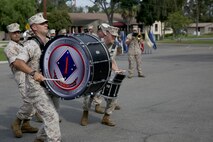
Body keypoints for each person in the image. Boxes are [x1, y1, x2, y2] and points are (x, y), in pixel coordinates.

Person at [12, 13, 61, 142]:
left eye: (46, 22)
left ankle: (39, 139)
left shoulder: (49, 42)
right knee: (52, 118)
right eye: (42, 23)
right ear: (34, 27)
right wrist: (33, 73)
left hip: (50, 86)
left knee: (53, 115)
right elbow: (18, 62)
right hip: (36, 88)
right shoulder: (31, 45)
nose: (46, 24)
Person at [80, 24, 124, 127]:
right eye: (113, 36)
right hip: (95, 74)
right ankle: (85, 114)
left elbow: (111, 61)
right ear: (106, 34)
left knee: (113, 97)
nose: (114, 38)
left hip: (107, 74)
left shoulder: (114, 46)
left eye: (116, 36)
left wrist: (117, 70)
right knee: (89, 96)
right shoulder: (96, 44)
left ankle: (106, 117)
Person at [4, 23, 38, 138]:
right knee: (28, 101)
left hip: (29, 76)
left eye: (18, 32)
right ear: (9, 34)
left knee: (33, 100)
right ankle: (17, 122)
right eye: (14, 33)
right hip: (21, 77)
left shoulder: (21, 44)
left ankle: (26, 124)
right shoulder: (9, 48)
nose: (17, 34)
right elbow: (17, 64)